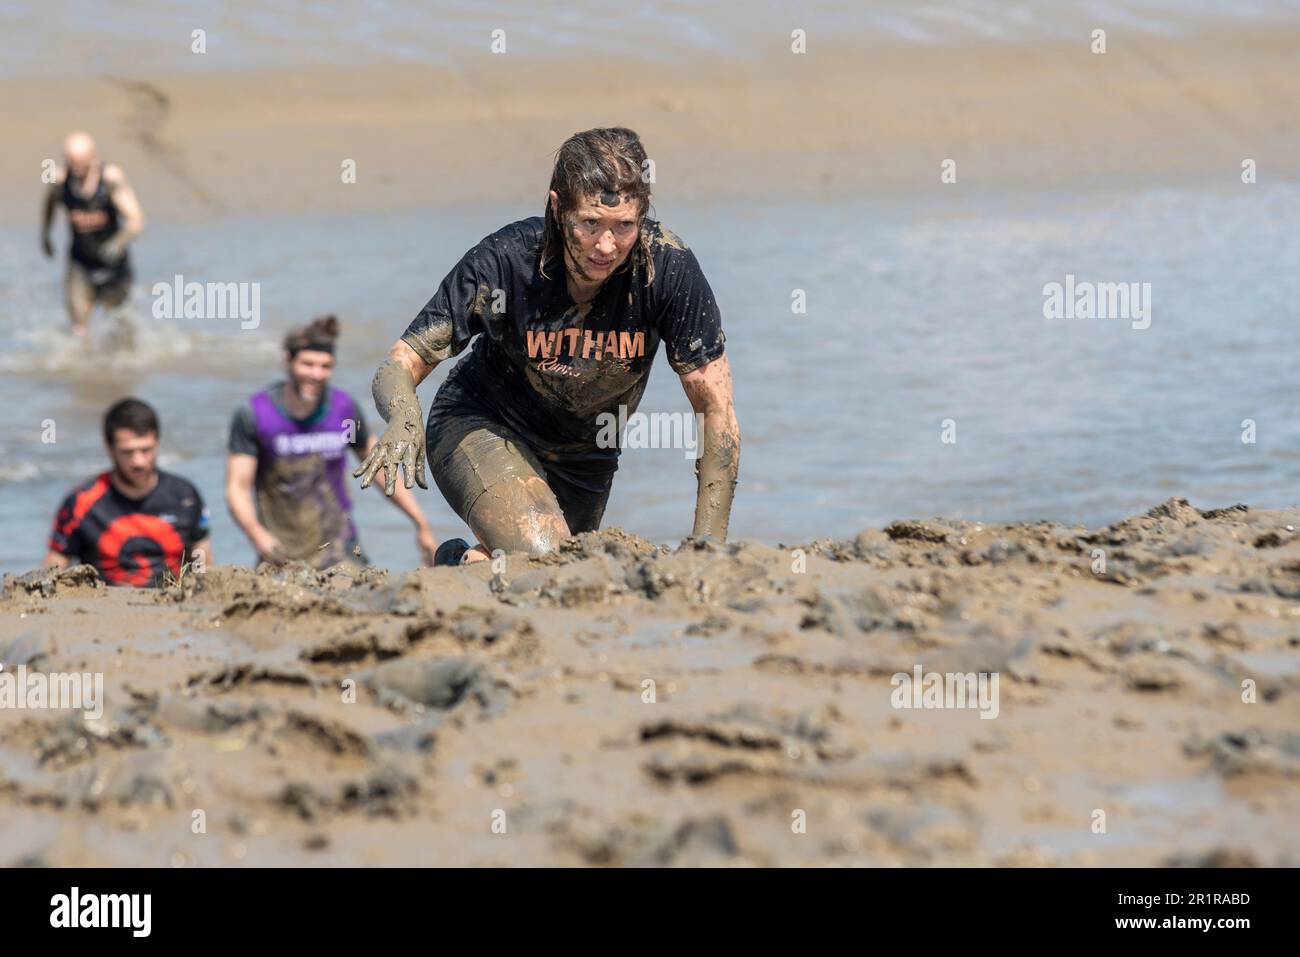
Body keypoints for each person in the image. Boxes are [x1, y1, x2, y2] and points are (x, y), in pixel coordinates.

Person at [355, 127, 739, 564]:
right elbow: (402, 360)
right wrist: (404, 414)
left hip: (588, 456)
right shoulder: (507, 262)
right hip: (482, 423)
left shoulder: (667, 270)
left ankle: (461, 565)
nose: (607, 246)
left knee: (568, 573)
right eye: (590, 223)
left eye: (624, 226)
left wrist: (709, 550)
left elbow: (715, 408)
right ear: (558, 208)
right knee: (544, 561)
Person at [226, 315, 437, 569]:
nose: (316, 374)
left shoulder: (343, 410)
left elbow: (379, 468)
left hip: (340, 548)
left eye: (325, 366)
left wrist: (420, 523)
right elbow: (238, 488)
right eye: (308, 364)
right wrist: (256, 535)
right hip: (280, 549)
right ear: (288, 361)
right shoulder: (255, 415)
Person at [44, 399, 212, 586]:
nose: (138, 462)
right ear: (109, 449)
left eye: (146, 450)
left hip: (172, 602)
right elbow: (53, 570)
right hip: (104, 605)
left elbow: (202, 564)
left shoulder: (185, 497)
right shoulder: (80, 503)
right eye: (128, 452)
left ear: (158, 443)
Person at [40, 131, 145, 345]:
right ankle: (83, 365)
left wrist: (118, 243)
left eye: (82, 164)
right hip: (80, 261)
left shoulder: (111, 178)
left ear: (93, 158)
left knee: (119, 324)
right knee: (78, 324)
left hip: (113, 263)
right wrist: (45, 235)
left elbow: (137, 220)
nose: (77, 169)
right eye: (72, 163)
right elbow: (48, 205)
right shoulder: (58, 179)